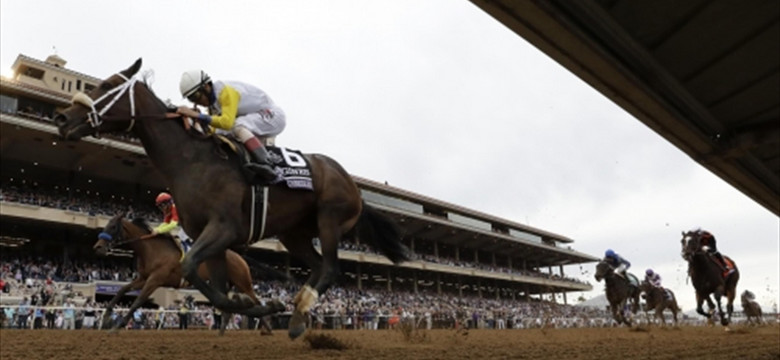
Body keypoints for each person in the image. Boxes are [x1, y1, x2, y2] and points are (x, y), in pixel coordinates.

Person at [177, 70, 285, 183]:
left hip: (273, 115)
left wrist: (198, 115)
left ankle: (267, 164)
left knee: (237, 125)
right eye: (191, 99)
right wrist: (198, 122)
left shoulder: (226, 92)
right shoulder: (213, 105)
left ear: (206, 86)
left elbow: (227, 123)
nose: (197, 102)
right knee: (220, 134)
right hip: (256, 117)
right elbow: (213, 132)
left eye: (196, 96)